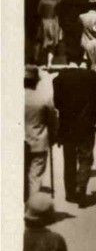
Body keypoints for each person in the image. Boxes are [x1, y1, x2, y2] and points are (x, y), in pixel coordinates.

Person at [53, 51, 96, 206]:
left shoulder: (58, 79)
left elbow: (57, 104)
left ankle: (70, 193)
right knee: (85, 158)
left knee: (68, 159)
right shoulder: (90, 76)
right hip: (86, 126)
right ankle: (81, 188)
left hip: (67, 126)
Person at [25, 65, 57, 199]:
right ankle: (32, 209)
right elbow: (53, 121)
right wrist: (54, 137)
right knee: (35, 178)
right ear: (36, 81)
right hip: (39, 142)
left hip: (20, 143)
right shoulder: (43, 99)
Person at [35, 0, 63, 66]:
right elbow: (60, 12)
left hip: (44, 22)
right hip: (54, 22)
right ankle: (49, 63)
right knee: (52, 45)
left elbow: (39, 12)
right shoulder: (58, 0)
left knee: (41, 41)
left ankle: (38, 60)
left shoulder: (43, 0)